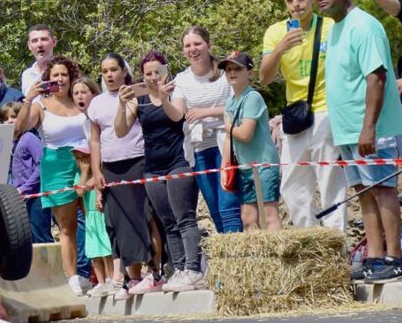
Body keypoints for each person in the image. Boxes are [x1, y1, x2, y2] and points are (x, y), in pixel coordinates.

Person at [316, 0, 402, 283]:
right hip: (348, 130)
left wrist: (369, 127)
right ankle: (375, 256)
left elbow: (376, 78)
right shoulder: (335, 29)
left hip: (373, 128)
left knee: (382, 190)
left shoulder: (364, 25)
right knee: (364, 193)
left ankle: (395, 257)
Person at [260, 0, 346, 231]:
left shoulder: (331, 26)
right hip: (295, 116)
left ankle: (336, 242)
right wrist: (279, 49)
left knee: (329, 178)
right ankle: (309, 239)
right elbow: (265, 78)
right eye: (289, 0)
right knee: (293, 184)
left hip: (325, 110)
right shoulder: (275, 32)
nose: (296, 4)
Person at [115, 52, 205, 291]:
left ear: (166, 71)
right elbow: (120, 131)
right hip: (153, 167)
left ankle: (194, 268)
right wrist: (122, 104)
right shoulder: (139, 99)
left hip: (178, 162)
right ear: (142, 76)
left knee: (184, 218)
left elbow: (177, 116)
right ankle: (178, 268)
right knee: (167, 222)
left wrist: (163, 98)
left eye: (158, 72)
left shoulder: (177, 91)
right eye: (148, 73)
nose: (154, 77)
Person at [15, 55, 87, 296]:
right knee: (67, 227)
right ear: (48, 79)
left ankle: (101, 273)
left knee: (94, 219)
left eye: (64, 75)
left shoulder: (82, 100)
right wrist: (28, 99)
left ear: (71, 77)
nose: (60, 79)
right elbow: (20, 128)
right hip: (55, 165)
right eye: (55, 75)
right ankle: (73, 276)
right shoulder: (41, 105)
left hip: (85, 161)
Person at [88, 54, 153, 300]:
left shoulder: (136, 94)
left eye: (114, 69)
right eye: (104, 71)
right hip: (110, 167)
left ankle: (152, 271)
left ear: (123, 71)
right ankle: (131, 276)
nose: (109, 75)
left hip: (136, 161)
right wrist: (97, 172)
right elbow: (95, 139)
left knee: (140, 217)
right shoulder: (96, 103)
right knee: (117, 223)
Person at [171, 25, 243, 234]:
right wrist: (159, 97)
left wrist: (204, 112)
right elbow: (177, 113)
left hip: (225, 145)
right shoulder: (182, 79)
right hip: (199, 149)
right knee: (214, 208)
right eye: (187, 45)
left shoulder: (224, 73)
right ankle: (226, 259)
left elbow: (238, 106)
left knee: (228, 205)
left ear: (208, 45)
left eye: (197, 44)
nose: (192, 49)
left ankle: (237, 256)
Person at [220, 52, 282, 231]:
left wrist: (227, 127)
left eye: (237, 68)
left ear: (249, 72)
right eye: (228, 69)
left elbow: (245, 134)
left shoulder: (253, 97)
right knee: (248, 218)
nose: (232, 72)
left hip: (264, 164)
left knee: (269, 214)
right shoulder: (230, 101)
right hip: (245, 166)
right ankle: (256, 257)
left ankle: (277, 255)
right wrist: (225, 166)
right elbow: (229, 138)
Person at [72, 77, 119, 296]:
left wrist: (96, 179)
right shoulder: (82, 121)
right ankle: (100, 280)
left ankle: (115, 277)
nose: (80, 96)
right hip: (89, 198)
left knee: (107, 240)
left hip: (106, 176)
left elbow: (101, 148)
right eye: (76, 93)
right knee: (93, 245)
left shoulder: (100, 114)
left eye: (84, 91)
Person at [1, 102, 54, 244]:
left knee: (40, 236)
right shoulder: (7, 143)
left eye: (14, 116)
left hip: (35, 195)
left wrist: (25, 188)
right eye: (5, 119)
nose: (10, 121)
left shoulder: (29, 138)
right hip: (18, 198)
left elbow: (42, 164)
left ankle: (49, 266)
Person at [20, 25, 57, 95]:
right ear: (29, 45)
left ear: (54, 42)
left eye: (44, 39)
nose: (39, 45)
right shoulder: (26, 75)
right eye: (34, 41)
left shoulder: (64, 72)